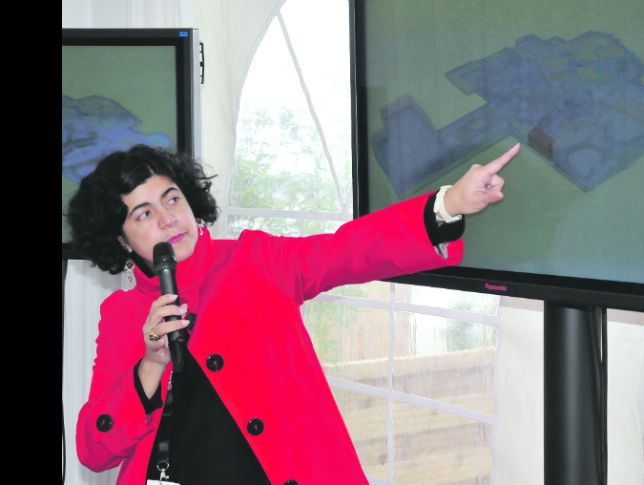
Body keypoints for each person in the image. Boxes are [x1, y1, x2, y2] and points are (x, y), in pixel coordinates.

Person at [69, 143, 521, 485]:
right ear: (123, 242)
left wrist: (449, 206)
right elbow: (95, 449)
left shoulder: (254, 261)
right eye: (144, 214)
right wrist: (151, 364)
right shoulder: (122, 314)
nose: (168, 219)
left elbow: (346, 251)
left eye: (172, 199)